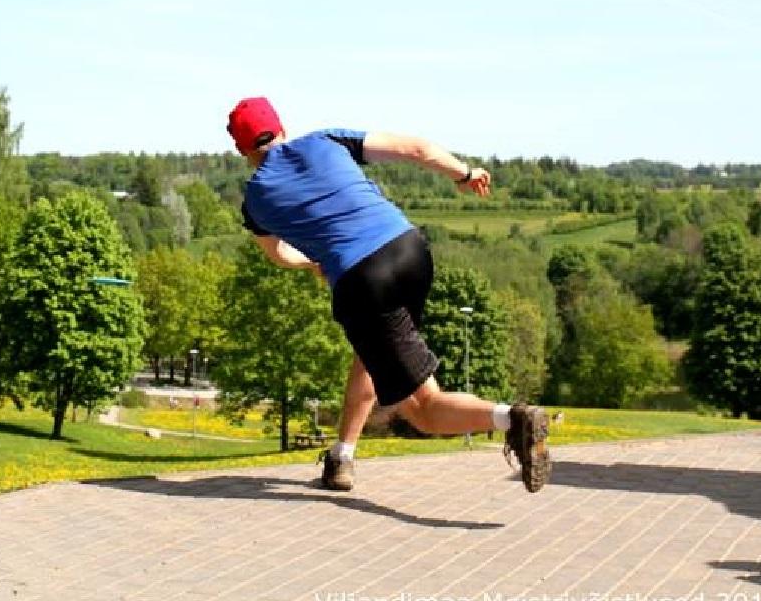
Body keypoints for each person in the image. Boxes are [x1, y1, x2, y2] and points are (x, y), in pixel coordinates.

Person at [227, 96, 550, 494]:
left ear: (242, 150)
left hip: (363, 282)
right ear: (281, 129)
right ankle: (341, 456)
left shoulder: (255, 202)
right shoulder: (327, 140)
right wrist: (464, 174)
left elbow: (277, 254)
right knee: (369, 355)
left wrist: (313, 263)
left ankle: (512, 419)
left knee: (424, 409)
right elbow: (416, 149)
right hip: (411, 251)